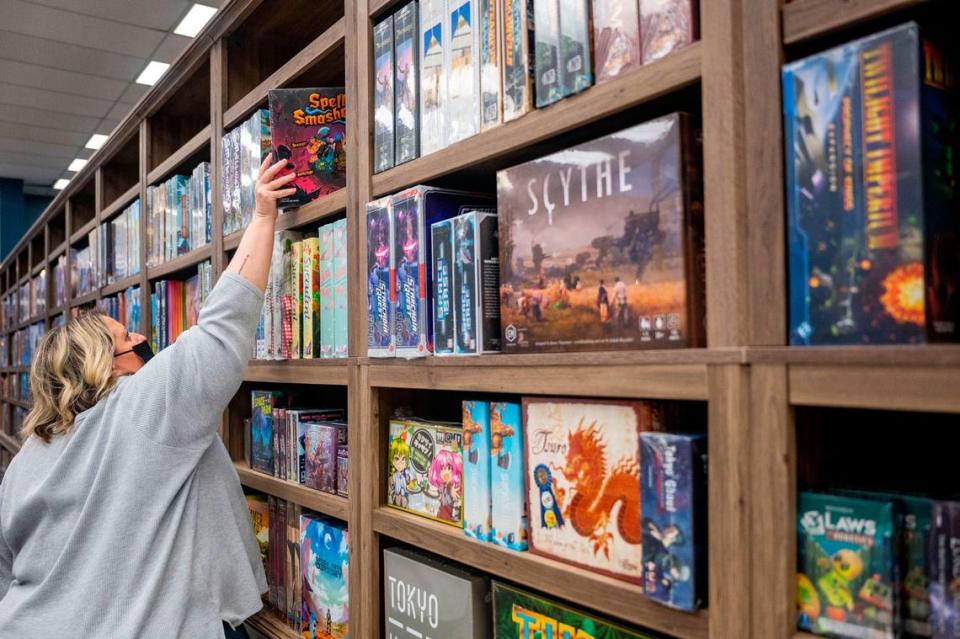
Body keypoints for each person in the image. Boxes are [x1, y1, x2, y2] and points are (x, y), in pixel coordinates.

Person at [0, 156, 298, 639]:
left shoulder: (26, 459)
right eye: (126, 336)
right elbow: (224, 326)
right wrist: (263, 216)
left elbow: (5, 571)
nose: (141, 336)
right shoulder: (142, 405)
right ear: (104, 363)